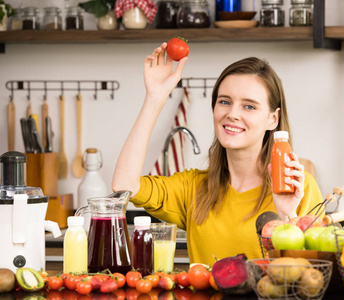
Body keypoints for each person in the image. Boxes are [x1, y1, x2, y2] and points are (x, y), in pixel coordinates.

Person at [112, 43, 323, 266]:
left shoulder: (298, 188)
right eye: (225, 101)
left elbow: (309, 278)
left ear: (273, 119)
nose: (232, 114)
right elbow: (124, 184)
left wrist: (286, 216)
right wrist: (155, 98)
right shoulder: (193, 188)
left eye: (249, 106)